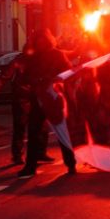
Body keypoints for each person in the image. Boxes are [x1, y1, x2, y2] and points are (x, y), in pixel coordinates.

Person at [18, 29, 75, 178]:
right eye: (38, 40)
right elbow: (25, 76)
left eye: (43, 40)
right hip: (38, 98)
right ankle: (30, 166)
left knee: (61, 131)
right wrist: (35, 82)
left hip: (53, 97)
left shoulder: (57, 55)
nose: (41, 43)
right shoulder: (32, 56)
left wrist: (52, 79)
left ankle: (71, 163)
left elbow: (67, 72)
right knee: (34, 132)